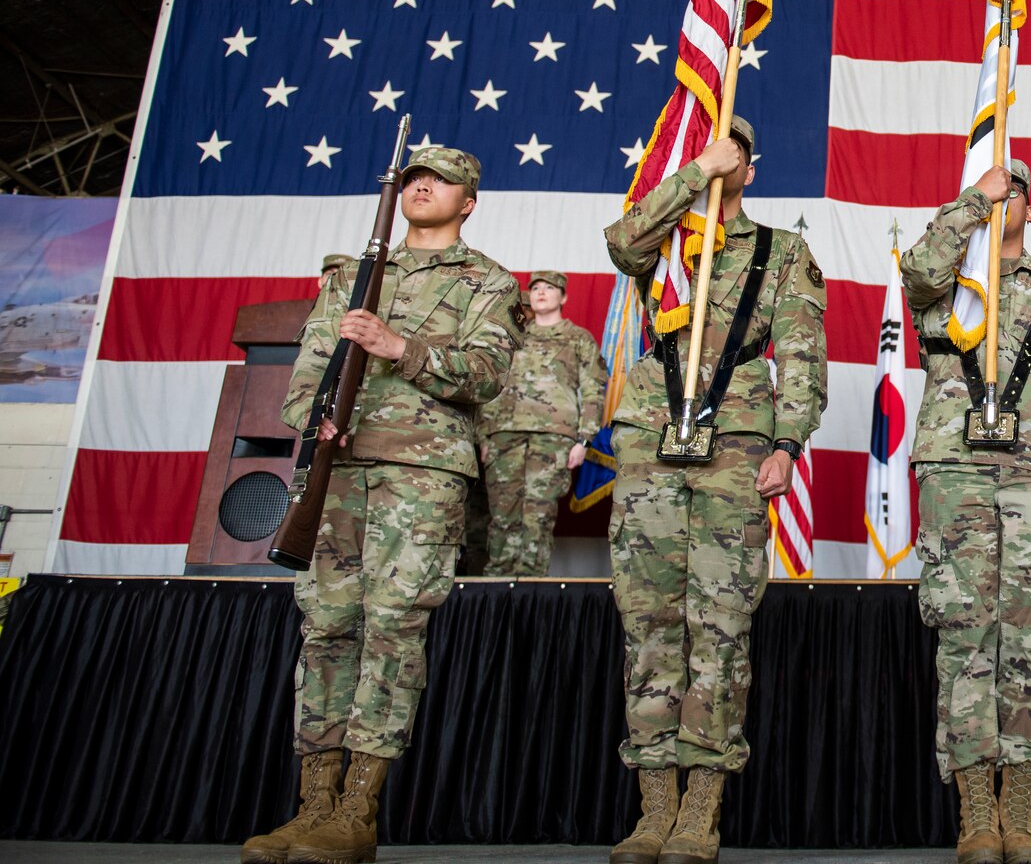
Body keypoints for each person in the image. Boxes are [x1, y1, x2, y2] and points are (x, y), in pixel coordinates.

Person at [244, 147, 523, 864]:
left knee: (393, 629)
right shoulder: (352, 274)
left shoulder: (485, 280)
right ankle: (311, 806)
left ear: (469, 200)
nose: (420, 184)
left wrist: (399, 346)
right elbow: (311, 361)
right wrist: (315, 420)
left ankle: (357, 810)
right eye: (411, 176)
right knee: (327, 628)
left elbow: (488, 375)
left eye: (440, 178)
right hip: (340, 468)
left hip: (420, 472)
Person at [601, 116, 826, 864]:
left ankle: (703, 805)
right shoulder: (667, 243)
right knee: (650, 623)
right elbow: (621, 240)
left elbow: (800, 353)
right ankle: (654, 805)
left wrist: (789, 444)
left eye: (736, 152)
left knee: (720, 626)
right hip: (649, 441)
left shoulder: (782, 251)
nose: (727, 157)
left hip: (735, 446)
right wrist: (695, 171)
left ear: (753, 170)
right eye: (714, 144)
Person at [902, 158, 1031, 864]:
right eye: (998, 185)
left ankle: (1019, 809)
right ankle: (975, 815)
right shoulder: (946, 287)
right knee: (964, 638)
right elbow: (917, 271)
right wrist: (970, 201)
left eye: (1016, 188)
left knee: (1030, 638)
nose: (1006, 195)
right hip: (956, 473)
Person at [476, 270, 608, 577]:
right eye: (535, 288)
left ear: (563, 297)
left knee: (538, 515)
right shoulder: (513, 337)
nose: (541, 293)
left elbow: (592, 389)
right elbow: (490, 384)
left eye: (550, 288)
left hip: (554, 437)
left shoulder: (578, 339)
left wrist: (584, 440)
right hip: (503, 436)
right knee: (502, 516)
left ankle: (531, 588)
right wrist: (484, 436)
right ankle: (498, 586)